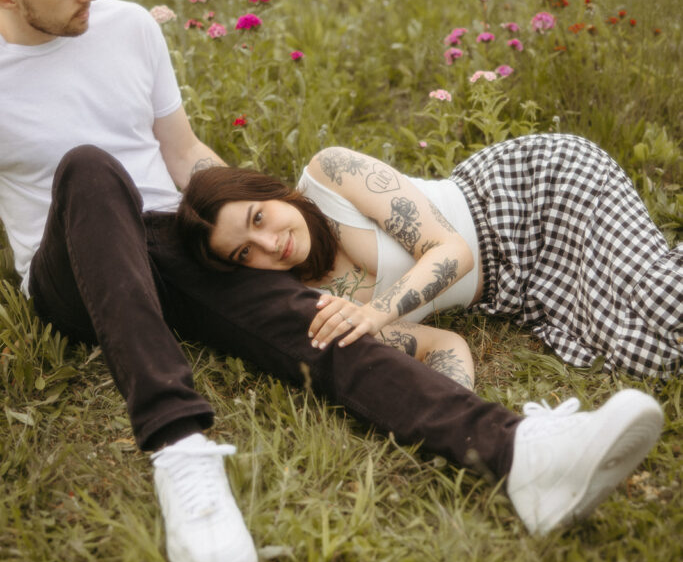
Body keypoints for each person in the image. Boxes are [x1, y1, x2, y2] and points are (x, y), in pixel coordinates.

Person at [0, 0, 667, 562]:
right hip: (75, 271)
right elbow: (93, 186)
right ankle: (180, 451)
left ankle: (522, 455)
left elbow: (181, 149)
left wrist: (244, 211)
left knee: (324, 324)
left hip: (175, 246)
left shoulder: (128, 27)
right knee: (91, 168)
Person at [178, 143, 682, 381]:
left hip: (531, 194)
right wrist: (454, 402)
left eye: (259, 217)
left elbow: (451, 250)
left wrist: (376, 313)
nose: (270, 243)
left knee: (664, 301)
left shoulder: (330, 174)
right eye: (245, 252)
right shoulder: (316, 307)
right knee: (648, 356)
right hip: (522, 284)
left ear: (269, 191)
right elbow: (442, 344)